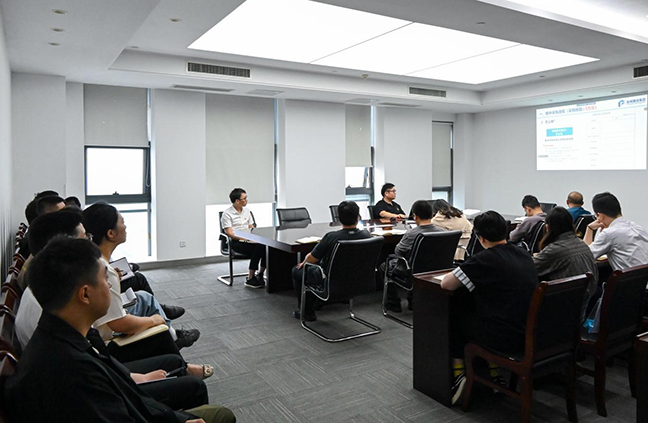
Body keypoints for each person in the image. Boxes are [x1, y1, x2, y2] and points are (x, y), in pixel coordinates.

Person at [4, 237, 236, 423]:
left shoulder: (67, 333)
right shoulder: (73, 371)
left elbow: (118, 383)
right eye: (104, 280)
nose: (109, 284)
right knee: (222, 415)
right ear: (85, 294)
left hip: (137, 405)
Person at [440, 211, 538, 404]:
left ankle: (459, 374)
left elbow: (446, 284)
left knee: (456, 316)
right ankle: (494, 372)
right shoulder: (523, 254)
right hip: (528, 331)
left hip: (503, 337)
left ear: (480, 238)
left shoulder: (484, 259)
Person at [83, 202, 199, 350]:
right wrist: (153, 320)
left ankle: (172, 336)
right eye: (122, 222)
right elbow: (118, 323)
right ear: (111, 233)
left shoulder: (95, 262)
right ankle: (171, 341)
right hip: (108, 338)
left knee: (144, 297)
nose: (125, 227)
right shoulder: (104, 270)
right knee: (149, 305)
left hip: (102, 326)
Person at [291, 201, 370, 321]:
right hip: (358, 280)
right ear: (358, 217)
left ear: (339, 219)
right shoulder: (366, 235)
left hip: (331, 281)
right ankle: (341, 296)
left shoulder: (332, 237)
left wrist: (304, 263)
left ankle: (307, 312)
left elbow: (311, 259)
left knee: (298, 270)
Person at [533, 206, 598, 321]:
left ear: (547, 227)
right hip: (581, 306)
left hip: (564, 310)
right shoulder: (581, 243)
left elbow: (529, 269)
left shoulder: (554, 249)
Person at [381, 200, 444, 312]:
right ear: (432, 215)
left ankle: (394, 303)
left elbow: (398, 252)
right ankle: (412, 299)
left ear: (415, 216)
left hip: (412, 271)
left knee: (384, 266)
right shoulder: (441, 231)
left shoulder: (411, 234)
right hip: (436, 269)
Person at [584, 192, 648, 271]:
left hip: (629, 278)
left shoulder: (609, 233)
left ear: (600, 216)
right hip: (642, 276)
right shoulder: (637, 227)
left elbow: (585, 257)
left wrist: (589, 229)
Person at [221, 188, 266, 288]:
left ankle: (260, 273)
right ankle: (250, 278)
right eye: (244, 198)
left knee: (266, 247)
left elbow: (251, 226)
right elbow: (229, 233)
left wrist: (251, 236)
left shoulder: (247, 211)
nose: (246, 200)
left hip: (249, 240)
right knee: (259, 248)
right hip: (236, 242)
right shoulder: (227, 214)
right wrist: (245, 239)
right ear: (237, 201)